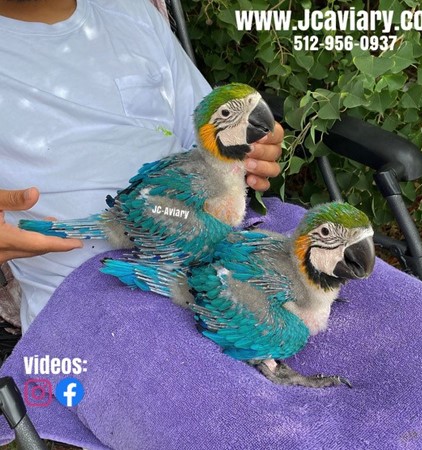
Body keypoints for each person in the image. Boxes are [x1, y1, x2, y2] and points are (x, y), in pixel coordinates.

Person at [0, 0, 283, 332]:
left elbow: (207, 137)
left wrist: (251, 151)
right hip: (93, 303)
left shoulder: (131, 12)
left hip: (217, 252)